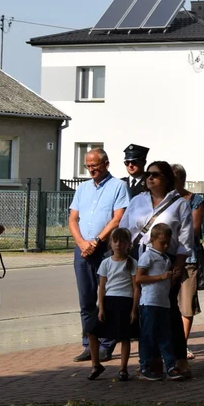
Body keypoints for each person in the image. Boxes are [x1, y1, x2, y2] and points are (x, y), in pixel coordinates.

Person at [120, 160, 193, 378]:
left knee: (167, 312)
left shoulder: (179, 204)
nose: (150, 178)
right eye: (148, 175)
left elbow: (185, 241)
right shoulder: (137, 201)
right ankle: (150, 364)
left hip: (165, 261)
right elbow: (124, 229)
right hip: (138, 259)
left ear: (167, 179)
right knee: (143, 312)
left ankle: (177, 361)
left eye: (155, 174)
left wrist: (177, 268)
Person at [68, 148, 130, 363]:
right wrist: (82, 243)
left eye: (95, 165)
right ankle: (89, 344)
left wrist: (96, 241)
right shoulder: (82, 188)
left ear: (106, 164)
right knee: (86, 300)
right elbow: (73, 219)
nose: (91, 169)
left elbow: (117, 218)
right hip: (83, 250)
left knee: (107, 298)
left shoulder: (118, 186)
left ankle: (106, 344)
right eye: (88, 166)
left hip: (104, 249)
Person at [86, 227, 137, 381]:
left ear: (128, 244)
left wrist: (134, 310)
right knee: (92, 332)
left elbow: (136, 288)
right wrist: (101, 307)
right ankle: (96, 364)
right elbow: (102, 287)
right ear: (110, 243)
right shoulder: (106, 263)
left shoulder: (132, 263)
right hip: (109, 301)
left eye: (122, 241)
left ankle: (123, 369)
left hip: (125, 302)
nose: (118, 244)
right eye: (115, 241)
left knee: (125, 336)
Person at [135, 223, 180, 381]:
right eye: (162, 242)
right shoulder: (148, 256)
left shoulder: (166, 258)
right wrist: (160, 277)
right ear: (152, 240)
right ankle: (144, 367)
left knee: (165, 336)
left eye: (168, 242)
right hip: (149, 303)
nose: (166, 245)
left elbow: (166, 283)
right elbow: (139, 278)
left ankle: (170, 366)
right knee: (148, 335)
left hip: (163, 303)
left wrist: (172, 277)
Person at [172, 164, 204, 359]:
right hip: (166, 259)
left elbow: (193, 230)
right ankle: (170, 343)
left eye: (173, 179)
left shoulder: (195, 200)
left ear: (182, 180)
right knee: (167, 303)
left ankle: (181, 345)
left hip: (188, 258)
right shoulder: (164, 200)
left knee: (187, 303)